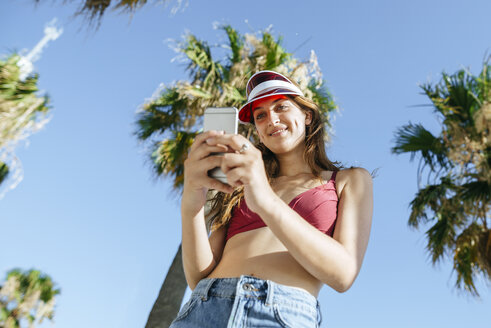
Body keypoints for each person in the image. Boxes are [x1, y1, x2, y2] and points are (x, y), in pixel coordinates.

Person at [170, 70, 373, 328]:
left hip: (280, 313)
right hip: (205, 308)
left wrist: (265, 199)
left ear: (307, 115)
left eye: (281, 107)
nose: (272, 119)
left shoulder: (348, 180)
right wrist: (192, 203)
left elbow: (343, 274)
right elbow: (198, 277)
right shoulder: (240, 186)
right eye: (260, 115)